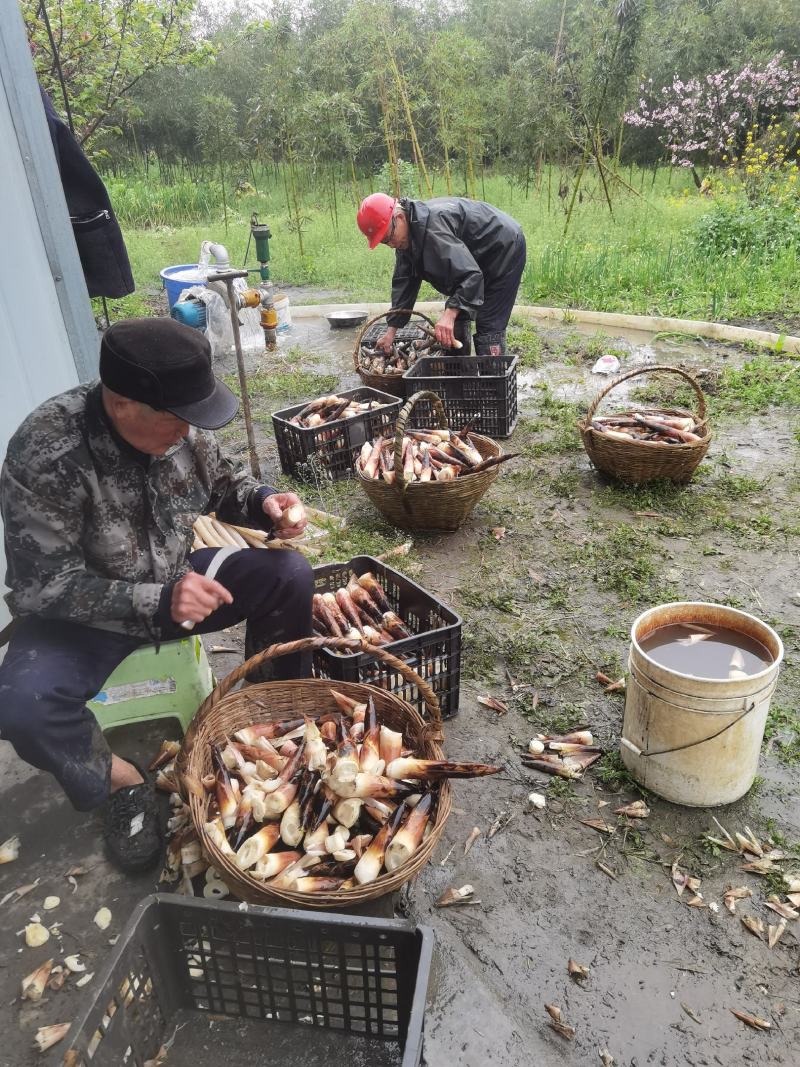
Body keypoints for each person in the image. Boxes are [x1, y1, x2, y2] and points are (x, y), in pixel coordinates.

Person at [0, 318, 313, 873]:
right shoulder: (46, 451)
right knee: (23, 705)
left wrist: (264, 501)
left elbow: (223, 483)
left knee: (288, 575)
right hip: (83, 619)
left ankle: (273, 727)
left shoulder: (178, 424)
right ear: (122, 404)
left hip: (176, 580)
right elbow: (42, 586)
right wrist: (155, 602)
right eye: (177, 419)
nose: (187, 431)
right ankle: (121, 785)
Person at [356, 193, 526, 356]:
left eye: (388, 238)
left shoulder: (432, 232)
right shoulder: (406, 237)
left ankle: (492, 377)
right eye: (384, 243)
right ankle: (460, 371)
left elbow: (471, 277)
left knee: (488, 324)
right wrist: (391, 332)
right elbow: (405, 284)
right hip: (473, 256)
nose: (391, 245)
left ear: (399, 218)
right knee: (458, 314)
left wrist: (449, 314)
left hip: (503, 247)